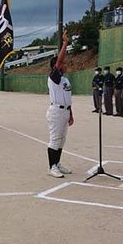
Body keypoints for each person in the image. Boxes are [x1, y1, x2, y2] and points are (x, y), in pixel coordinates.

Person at [46, 30, 74, 178]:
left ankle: (57, 163)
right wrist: (65, 43)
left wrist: (71, 114)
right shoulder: (53, 77)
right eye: (63, 63)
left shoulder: (65, 80)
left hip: (65, 111)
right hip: (56, 112)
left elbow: (68, 98)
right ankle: (52, 167)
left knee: (62, 140)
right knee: (55, 139)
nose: (65, 65)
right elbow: (58, 62)